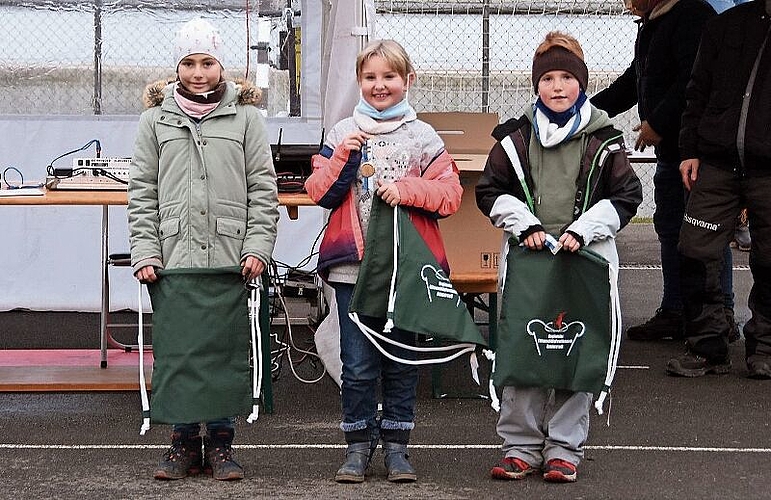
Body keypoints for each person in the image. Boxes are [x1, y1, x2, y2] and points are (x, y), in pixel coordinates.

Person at [476, 31, 642, 483]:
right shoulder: (515, 137)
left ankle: (565, 448)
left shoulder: (604, 138)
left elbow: (627, 197)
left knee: (576, 350)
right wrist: (524, 224)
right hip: (529, 261)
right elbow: (489, 191)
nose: (557, 86)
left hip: (585, 260)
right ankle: (520, 447)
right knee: (525, 351)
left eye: (567, 77)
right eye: (547, 77)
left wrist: (582, 230)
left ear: (582, 83)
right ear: (536, 84)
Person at [127, 18, 279, 480]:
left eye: (208, 62)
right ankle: (181, 444)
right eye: (189, 63)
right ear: (177, 67)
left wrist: (258, 245)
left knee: (223, 349)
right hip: (174, 257)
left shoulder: (247, 118)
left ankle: (221, 443)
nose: (199, 72)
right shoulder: (154, 121)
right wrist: (145, 251)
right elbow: (142, 192)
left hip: (230, 256)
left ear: (221, 65)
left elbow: (262, 188)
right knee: (179, 351)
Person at [305, 39, 462, 484]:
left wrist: (408, 189)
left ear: (408, 80)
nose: (379, 85)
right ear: (359, 82)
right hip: (351, 270)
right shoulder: (341, 133)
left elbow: (450, 195)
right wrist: (343, 158)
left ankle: (397, 447)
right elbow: (318, 191)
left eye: (389, 76)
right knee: (356, 364)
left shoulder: (423, 136)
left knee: (401, 362)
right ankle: (357, 445)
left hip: (407, 273)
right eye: (370, 77)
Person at [591, 0, 742, 342]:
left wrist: (657, 122)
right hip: (671, 152)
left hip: (697, 152)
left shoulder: (691, 17)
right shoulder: (653, 25)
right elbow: (633, 81)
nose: (626, 2)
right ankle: (676, 310)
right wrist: (584, 111)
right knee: (671, 227)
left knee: (705, 231)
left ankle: (721, 314)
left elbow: (692, 82)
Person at [668, 0, 771, 378]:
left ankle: (765, 347)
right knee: (695, 250)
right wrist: (689, 150)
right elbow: (697, 92)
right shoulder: (724, 26)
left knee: (770, 259)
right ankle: (708, 346)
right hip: (715, 162)